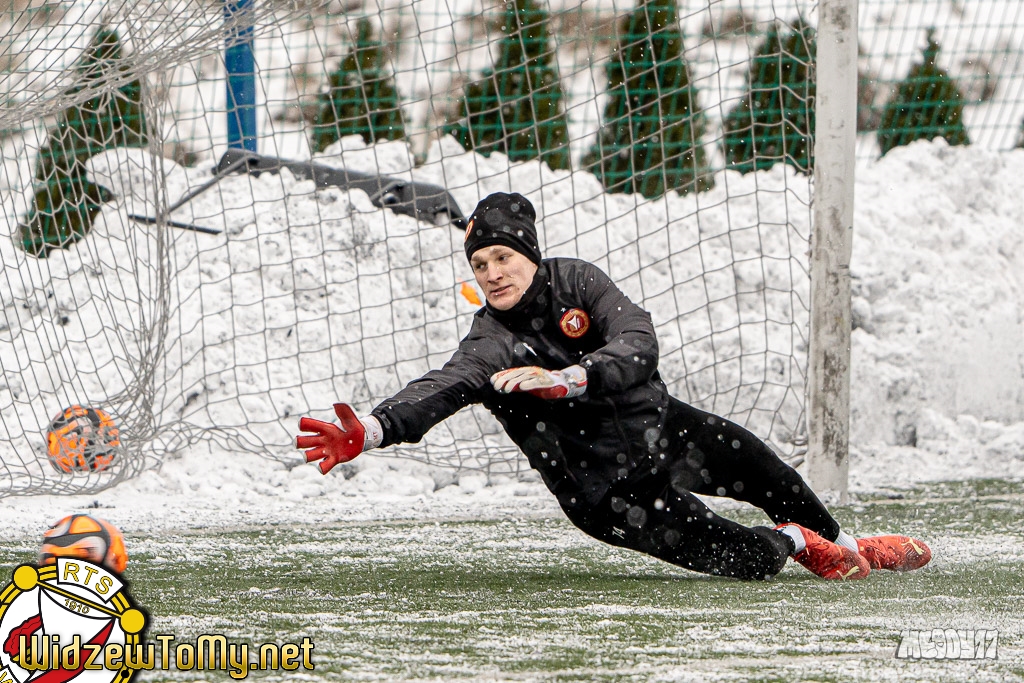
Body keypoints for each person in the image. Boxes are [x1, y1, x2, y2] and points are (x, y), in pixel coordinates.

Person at [296, 192, 931, 581]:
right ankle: (796, 543)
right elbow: (443, 385)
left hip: (661, 429)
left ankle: (851, 548)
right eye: (479, 264)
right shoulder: (490, 342)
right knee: (747, 560)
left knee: (767, 471)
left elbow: (637, 341)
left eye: (502, 258)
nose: (491, 273)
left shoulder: (578, 282)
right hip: (606, 491)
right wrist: (374, 428)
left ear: (530, 254)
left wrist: (569, 379)